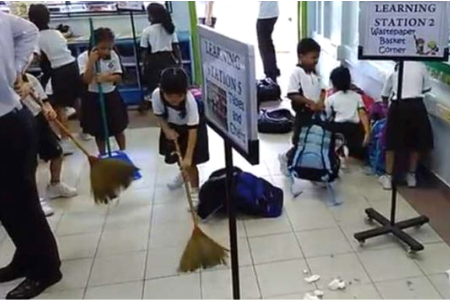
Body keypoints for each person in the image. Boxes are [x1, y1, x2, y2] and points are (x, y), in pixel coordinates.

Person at [0, 12, 62, 299]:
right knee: (5, 204)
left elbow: (29, 31)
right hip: (9, 120)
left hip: (8, 122)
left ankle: (46, 269)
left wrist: (14, 70)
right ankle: (26, 258)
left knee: (21, 202)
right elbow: (28, 30)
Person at [20, 72, 78, 216]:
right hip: (20, 123)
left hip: (38, 119)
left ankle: (55, 184)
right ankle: (32, 200)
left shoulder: (30, 79)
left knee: (57, 152)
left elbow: (44, 101)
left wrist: (49, 110)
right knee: (29, 163)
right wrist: (21, 92)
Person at [28, 4, 83, 155]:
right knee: (76, 99)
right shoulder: (57, 33)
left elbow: (35, 57)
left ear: (31, 19)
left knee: (59, 106)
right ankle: (86, 130)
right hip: (72, 66)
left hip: (57, 71)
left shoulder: (36, 37)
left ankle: (65, 141)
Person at [153, 67, 209, 204]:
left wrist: (189, 156)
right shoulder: (156, 95)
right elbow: (159, 116)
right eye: (170, 96)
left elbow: (193, 129)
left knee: (190, 163)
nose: (174, 100)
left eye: (179, 96)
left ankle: (195, 191)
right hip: (172, 126)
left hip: (192, 129)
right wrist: (167, 131)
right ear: (162, 90)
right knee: (179, 157)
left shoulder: (190, 101)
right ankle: (183, 174)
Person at [378, 61, 433, 190]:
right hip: (417, 106)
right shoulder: (421, 65)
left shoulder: (396, 67)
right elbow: (426, 88)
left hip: (398, 106)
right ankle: (411, 176)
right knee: (416, 143)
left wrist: (386, 107)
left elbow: (384, 94)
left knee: (391, 142)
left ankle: (388, 177)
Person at [78, 27, 129, 155]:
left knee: (118, 128)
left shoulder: (113, 56)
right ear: (94, 46)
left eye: (109, 48)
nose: (106, 51)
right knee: (99, 132)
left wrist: (106, 78)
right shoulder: (83, 58)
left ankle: (123, 152)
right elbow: (86, 80)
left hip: (111, 96)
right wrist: (91, 62)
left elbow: (119, 76)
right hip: (93, 98)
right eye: (102, 48)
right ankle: (103, 154)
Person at [279, 38, 326, 175]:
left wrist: (321, 102)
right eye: (313, 57)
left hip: (316, 114)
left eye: (317, 58)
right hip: (303, 113)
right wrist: (310, 103)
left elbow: (323, 90)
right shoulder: (297, 73)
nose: (316, 61)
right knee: (299, 141)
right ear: (301, 56)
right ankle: (287, 159)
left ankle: (315, 169)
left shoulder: (315, 73)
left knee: (314, 140)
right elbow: (292, 94)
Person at [139, 3, 183, 113]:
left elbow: (144, 51)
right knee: (169, 84)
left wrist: (143, 64)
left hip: (155, 60)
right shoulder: (170, 29)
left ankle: (158, 108)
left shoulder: (147, 31)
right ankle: (170, 107)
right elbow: (175, 47)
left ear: (151, 16)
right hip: (169, 59)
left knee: (155, 86)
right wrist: (180, 62)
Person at [326, 66, 370, 163]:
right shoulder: (357, 96)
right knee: (357, 156)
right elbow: (363, 115)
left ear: (333, 83)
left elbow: (327, 115)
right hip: (354, 129)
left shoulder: (331, 98)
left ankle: (339, 151)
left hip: (337, 128)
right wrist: (367, 133)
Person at [257, 1, 280, 82]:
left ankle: (270, 72)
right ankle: (273, 68)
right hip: (272, 13)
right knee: (268, 43)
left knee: (264, 45)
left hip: (266, 14)